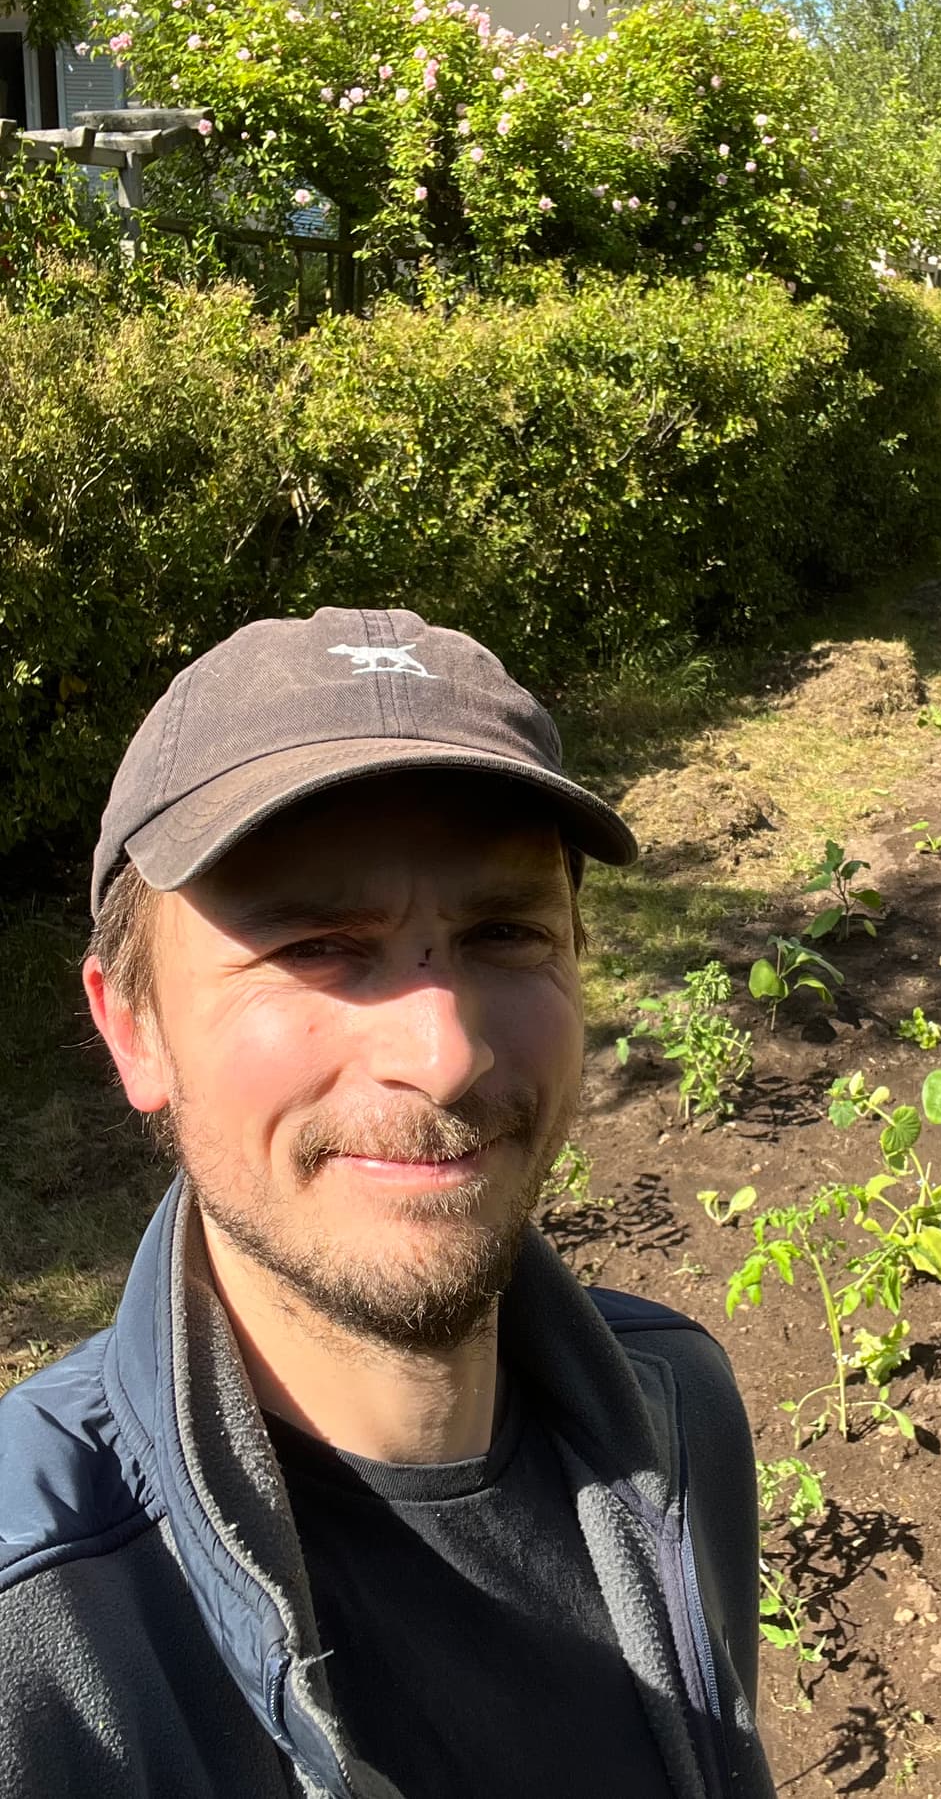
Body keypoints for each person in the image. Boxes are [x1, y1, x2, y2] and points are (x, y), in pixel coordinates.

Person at [0, 607, 774, 1799]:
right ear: (132, 1028)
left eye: (507, 932)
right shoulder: (36, 1616)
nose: (444, 1050)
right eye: (318, 944)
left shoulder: (677, 1411)